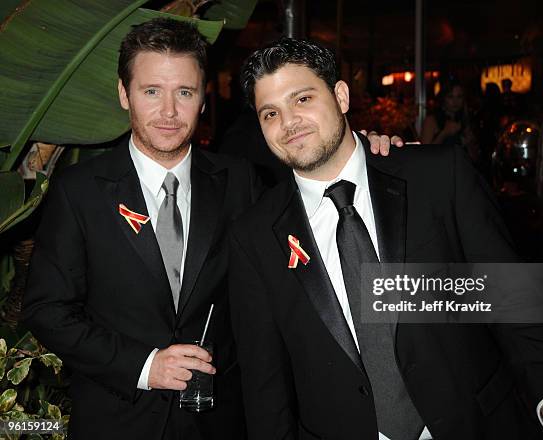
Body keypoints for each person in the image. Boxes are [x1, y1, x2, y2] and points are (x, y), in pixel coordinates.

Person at [21, 18, 402, 440]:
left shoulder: (242, 181)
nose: (169, 111)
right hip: (117, 419)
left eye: (184, 92)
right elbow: (47, 309)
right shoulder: (80, 191)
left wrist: (369, 155)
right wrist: (145, 365)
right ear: (124, 94)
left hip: (222, 422)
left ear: (203, 99)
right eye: (151, 92)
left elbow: (316, 205)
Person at [229, 38, 543, 440]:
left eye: (302, 99)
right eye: (270, 113)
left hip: (473, 423)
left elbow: (512, 297)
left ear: (340, 95)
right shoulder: (253, 236)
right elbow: (263, 383)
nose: (289, 123)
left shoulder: (439, 177)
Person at [420, 79, 478, 162]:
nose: (455, 101)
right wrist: (444, 133)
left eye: (459, 96)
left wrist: (469, 144)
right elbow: (424, 155)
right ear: (443, 98)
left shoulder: (464, 120)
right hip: (438, 170)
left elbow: (474, 160)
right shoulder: (431, 120)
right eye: (450, 96)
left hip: (460, 171)